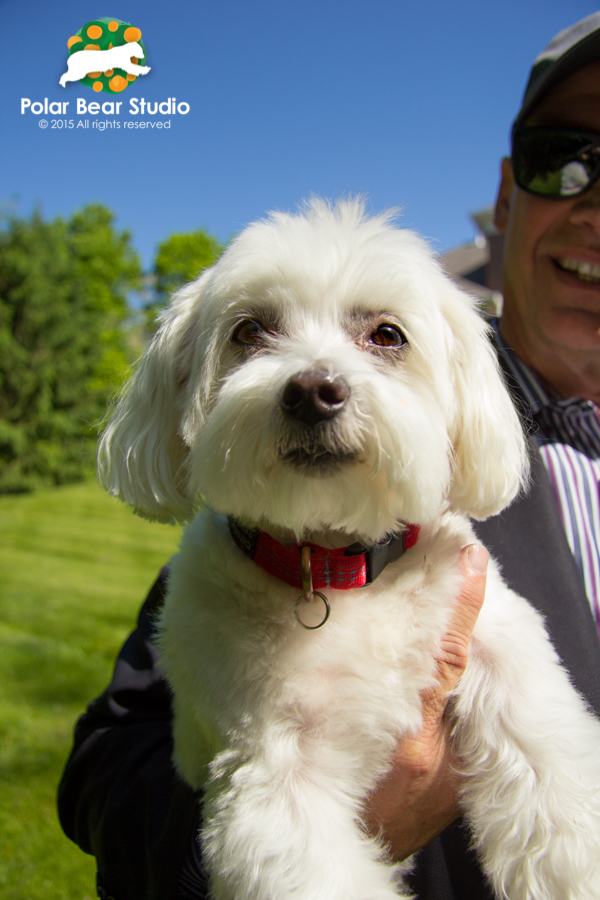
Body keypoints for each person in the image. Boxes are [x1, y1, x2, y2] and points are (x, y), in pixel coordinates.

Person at [58, 13, 600, 900]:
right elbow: (109, 770)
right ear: (506, 197)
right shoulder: (229, 566)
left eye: (383, 336)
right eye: (567, 156)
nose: (317, 378)